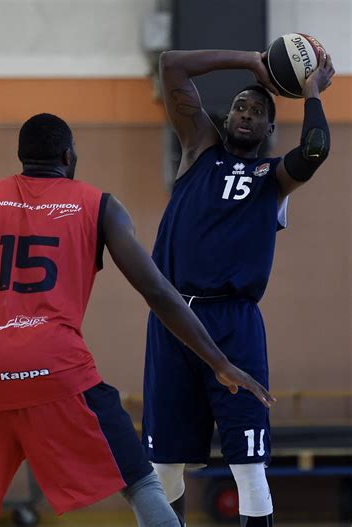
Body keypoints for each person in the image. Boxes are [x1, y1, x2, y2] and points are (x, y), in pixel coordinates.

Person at [0, 113, 274, 527]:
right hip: (58, 368)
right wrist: (220, 363)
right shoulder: (100, 205)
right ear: (68, 155)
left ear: (22, 157)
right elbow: (157, 291)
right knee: (141, 484)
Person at [142, 49, 334, 526]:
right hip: (174, 319)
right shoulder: (198, 149)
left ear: (270, 129)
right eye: (241, 107)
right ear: (227, 118)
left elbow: (315, 149)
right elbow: (171, 65)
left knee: (248, 465)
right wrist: (251, 61)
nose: (246, 114)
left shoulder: (274, 178)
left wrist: (310, 90)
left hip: (235, 323)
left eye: (258, 112)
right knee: (164, 466)